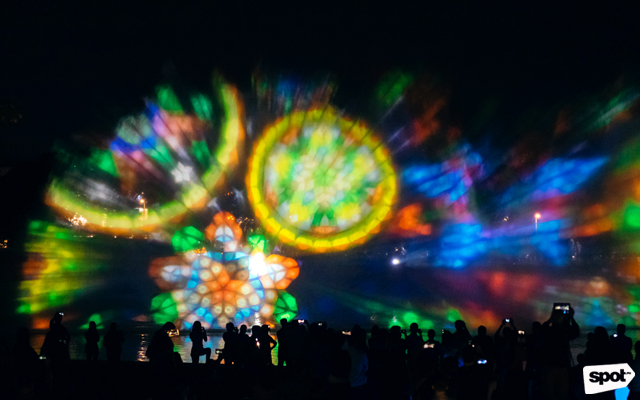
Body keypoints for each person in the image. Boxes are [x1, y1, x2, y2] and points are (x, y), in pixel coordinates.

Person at [540, 306, 580, 400]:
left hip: (548, 366)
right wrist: (571, 317)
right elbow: (576, 332)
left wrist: (551, 318)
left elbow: (542, 329)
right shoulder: (564, 332)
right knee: (563, 394)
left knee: (548, 394)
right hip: (563, 366)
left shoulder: (548, 331)